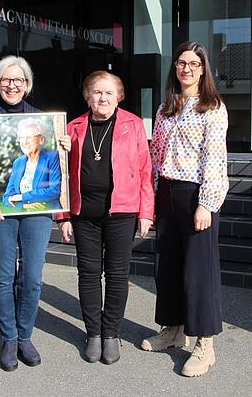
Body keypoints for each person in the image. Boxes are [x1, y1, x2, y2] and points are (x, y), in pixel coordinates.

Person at [0, 56, 71, 371]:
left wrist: (65, 147)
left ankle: (25, 336)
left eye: (18, 80)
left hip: (37, 214)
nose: (12, 85)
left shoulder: (44, 121)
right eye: (6, 80)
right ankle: (9, 338)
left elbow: (53, 188)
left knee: (31, 277)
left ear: (27, 85)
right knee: (3, 276)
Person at [141, 41, 228, 377]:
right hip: (167, 191)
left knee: (198, 271)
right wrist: (150, 195)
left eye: (193, 64)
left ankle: (205, 344)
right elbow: (156, 154)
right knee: (168, 266)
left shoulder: (212, 107)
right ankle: (173, 329)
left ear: (203, 69)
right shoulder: (166, 107)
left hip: (196, 195)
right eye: (181, 63)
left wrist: (207, 203)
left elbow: (215, 158)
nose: (186, 69)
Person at [57, 70, 154, 365]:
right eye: (97, 92)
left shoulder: (133, 125)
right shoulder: (72, 127)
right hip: (83, 213)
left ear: (119, 97)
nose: (102, 97)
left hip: (122, 212)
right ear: (87, 96)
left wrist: (146, 212)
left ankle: (111, 333)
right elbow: (59, 173)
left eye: (109, 92)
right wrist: (63, 216)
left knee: (117, 274)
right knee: (88, 274)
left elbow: (146, 170)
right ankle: (94, 334)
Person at [2, 117, 62, 212]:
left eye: (29, 137)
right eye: (21, 138)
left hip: (46, 212)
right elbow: (6, 198)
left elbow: (54, 191)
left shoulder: (52, 157)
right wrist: (24, 206)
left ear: (41, 139)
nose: (24, 142)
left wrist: (22, 197)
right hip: (23, 212)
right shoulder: (18, 162)